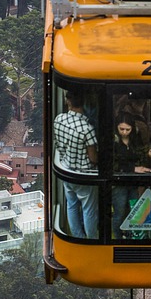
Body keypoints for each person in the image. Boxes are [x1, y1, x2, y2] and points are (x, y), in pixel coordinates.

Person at [53, 91, 99, 239]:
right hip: (84, 175)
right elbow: (93, 158)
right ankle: (91, 239)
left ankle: (78, 236)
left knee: (71, 204)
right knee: (88, 209)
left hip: (67, 170)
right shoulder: (87, 129)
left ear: (68, 101)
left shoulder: (59, 119)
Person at [111, 115, 146, 238]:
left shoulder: (136, 139)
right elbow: (110, 164)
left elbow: (141, 155)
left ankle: (133, 237)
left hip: (134, 182)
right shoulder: (112, 140)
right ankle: (118, 238)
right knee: (119, 213)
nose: (124, 132)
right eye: (121, 129)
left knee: (135, 211)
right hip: (118, 183)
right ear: (116, 128)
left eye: (128, 129)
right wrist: (132, 169)